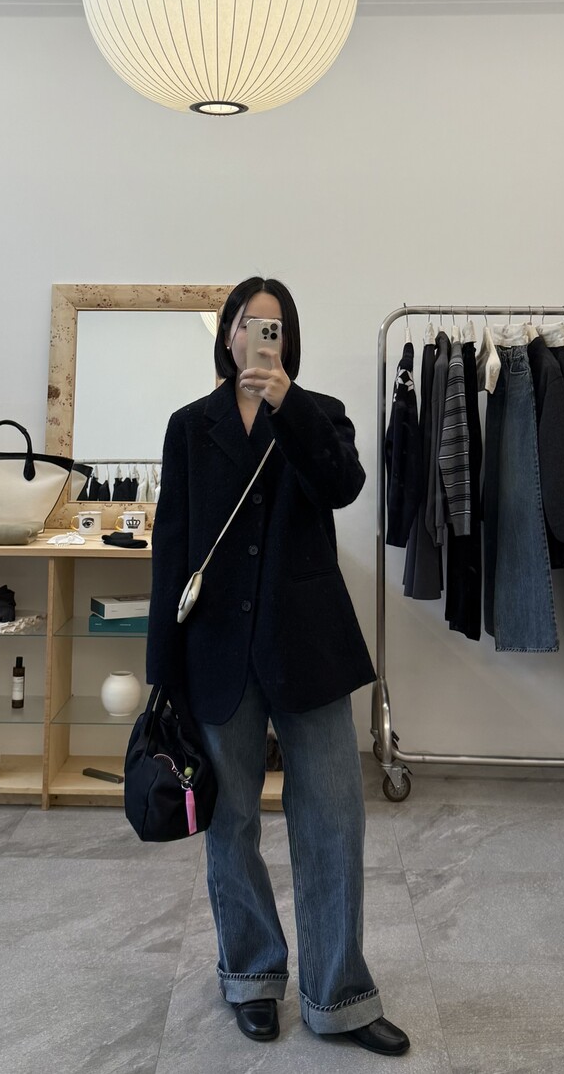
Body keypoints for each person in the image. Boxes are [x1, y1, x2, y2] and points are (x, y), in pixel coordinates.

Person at [146, 276, 410, 1056]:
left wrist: (288, 404)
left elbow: (343, 484)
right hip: (217, 652)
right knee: (230, 821)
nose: (260, 337)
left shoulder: (320, 413)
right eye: (247, 323)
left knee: (334, 817)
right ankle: (252, 976)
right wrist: (164, 670)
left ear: (287, 341)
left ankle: (341, 995)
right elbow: (171, 549)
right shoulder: (189, 427)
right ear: (226, 335)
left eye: (275, 327)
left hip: (308, 645)